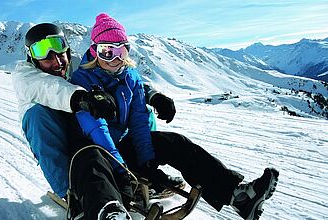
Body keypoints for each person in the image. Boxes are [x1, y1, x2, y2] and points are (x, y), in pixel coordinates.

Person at [69, 13, 279, 220]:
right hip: (98, 153)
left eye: (120, 51)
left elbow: (139, 121)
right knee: (95, 159)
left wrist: (147, 162)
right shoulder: (82, 80)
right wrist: (122, 170)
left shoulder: (131, 77)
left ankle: (237, 196)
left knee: (175, 143)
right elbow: (97, 129)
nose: (115, 59)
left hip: (123, 147)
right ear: (94, 52)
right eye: (107, 52)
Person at [12, 23, 179, 220]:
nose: (56, 60)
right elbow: (49, 88)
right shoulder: (25, 75)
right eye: (43, 53)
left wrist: (152, 96)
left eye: (59, 49)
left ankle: (140, 170)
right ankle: (72, 195)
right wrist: (82, 98)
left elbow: (121, 76)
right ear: (31, 57)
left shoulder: (77, 62)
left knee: (140, 110)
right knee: (37, 116)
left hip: (88, 129)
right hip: (60, 134)